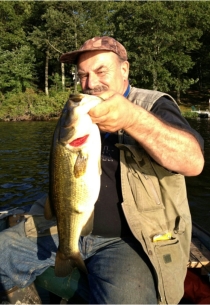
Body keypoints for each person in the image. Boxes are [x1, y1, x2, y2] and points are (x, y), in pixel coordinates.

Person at [0, 36, 204, 304]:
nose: (91, 83)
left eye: (101, 71)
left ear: (124, 69)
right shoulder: (80, 112)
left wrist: (132, 118)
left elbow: (193, 162)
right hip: (61, 226)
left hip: (129, 241)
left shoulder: (154, 105)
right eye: (83, 75)